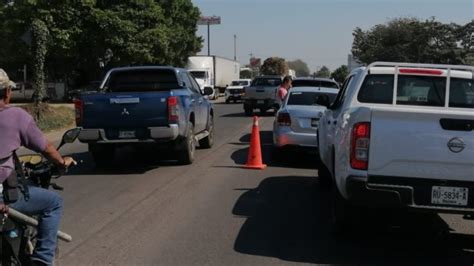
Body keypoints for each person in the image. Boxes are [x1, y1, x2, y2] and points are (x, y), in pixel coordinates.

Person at [0, 69, 75, 265]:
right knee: (53, 202)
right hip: (3, 197)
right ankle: (42, 260)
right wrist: (61, 163)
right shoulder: (16, 116)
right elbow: (47, 148)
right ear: (7, 92)